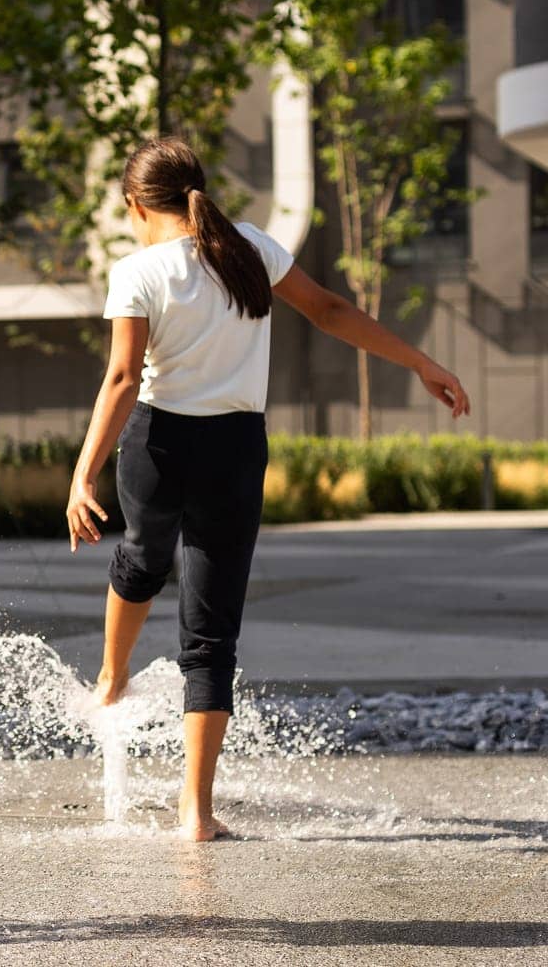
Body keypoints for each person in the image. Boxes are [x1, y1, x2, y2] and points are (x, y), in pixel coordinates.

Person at [66, 137, 469, 842]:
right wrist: (421, 361)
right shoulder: (248, 245)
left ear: (134, 205)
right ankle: (196, 810)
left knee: (141, 559)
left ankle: (110, 677)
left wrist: (83, 471)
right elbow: (332, 311)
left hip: (157, 444)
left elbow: (124, 379)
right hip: (234, 447)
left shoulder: (136, 270)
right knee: (210, 629)